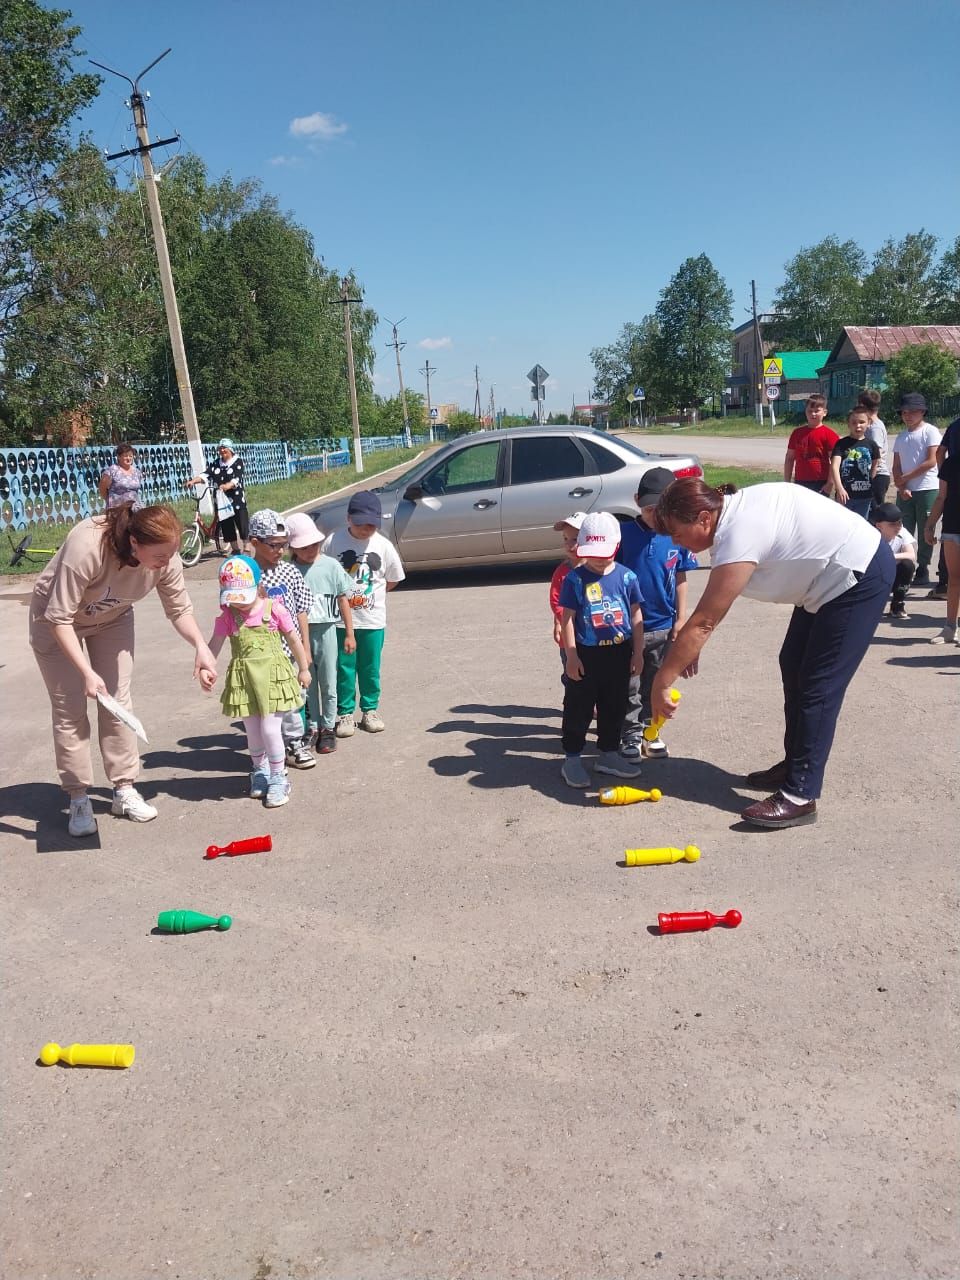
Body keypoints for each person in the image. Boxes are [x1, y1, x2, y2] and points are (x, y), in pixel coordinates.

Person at [649, 479, 894, 829]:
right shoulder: (731, 517)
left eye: (676, 532)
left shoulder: (738, 531)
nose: (675, 541)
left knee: (818, 685)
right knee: (792, 663)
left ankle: (800, 794)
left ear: (704, 518)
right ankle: (796, 764)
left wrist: (662, 680)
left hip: (859, 573)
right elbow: (704, 624)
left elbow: (703, 622)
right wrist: (687, 650)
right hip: (825, 581)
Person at [29, 504, 217, 837]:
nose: (167, 562)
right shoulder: (87, 545)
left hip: (112, 617)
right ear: (134, 543)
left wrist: (201, 647)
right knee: (70, 708)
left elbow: (178, 607)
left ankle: (123, 788)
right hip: (57, 621)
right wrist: (86, 671)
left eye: (170, 555)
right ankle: (78, 796)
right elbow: (59, 618)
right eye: (159, 556)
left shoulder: (166, 553)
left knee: (116, 702)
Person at [201, 556, 311, 809]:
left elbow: (294, 640)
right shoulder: (228, 616)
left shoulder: (275, 609)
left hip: (274, 677)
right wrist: (207, 666)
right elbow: (214, 645)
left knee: (271, 730)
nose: (237, 604)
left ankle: (278, 776)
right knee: (252, 731)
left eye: (242, 597)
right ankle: (259, 770)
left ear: (257, 586)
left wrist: (303, 668)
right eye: (233, 598)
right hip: (245, 680)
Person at [557, 511, 645, 789]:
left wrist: (638, 652)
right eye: (591, 551)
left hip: (619, 654)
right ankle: (572, 757)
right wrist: (571, 655)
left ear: (616, 546)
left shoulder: (627, 577)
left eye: (604, 552)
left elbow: (636, 616)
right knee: (578, 707)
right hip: (586, 654)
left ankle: (608, 753)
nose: (598, 558)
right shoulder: (575, 579)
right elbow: (567, 618)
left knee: (614, 706)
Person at [616, 467, 697, 759]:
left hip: (665, 626)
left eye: (662, 509)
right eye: (650, 509)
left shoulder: (677, 535)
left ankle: (652, 731)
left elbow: (681, 578)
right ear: (637, 500)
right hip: (628, 629)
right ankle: (630, 733)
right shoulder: (622, 535)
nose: (655, 516)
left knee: (656, 682)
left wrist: (681, 619)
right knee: (630, 684)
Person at [322, 490, 405, 736]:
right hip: (339, 622)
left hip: (372, 620)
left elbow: (393, 578)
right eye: (360, 524)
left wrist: (371, 597)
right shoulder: (333, 541)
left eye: (371, 524)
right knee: (343, 668)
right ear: (349, 518)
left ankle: (370, 710)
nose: (366, 529)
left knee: (370, 668)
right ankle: (345, 714)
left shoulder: (383, 545)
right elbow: (323, 574)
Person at [248, 509, 316, 769]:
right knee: (265, 704)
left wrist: (305, 650)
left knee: (293, 699)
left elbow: (301, 611)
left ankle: (294, 744)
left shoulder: (290, 572)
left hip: (289, 649)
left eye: (283, 545)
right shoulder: (246, 574)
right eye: (274, 545)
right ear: (255, 542)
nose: (280, 550)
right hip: (260, 652)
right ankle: (266, 753)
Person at [284, 512, 357, 754]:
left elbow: (343, 599)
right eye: (303, 547)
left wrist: (349, 633)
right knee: (306, 682)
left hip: (326, 630)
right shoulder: (289, 570)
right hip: (296, 634)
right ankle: (312, 726)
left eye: (314, 544)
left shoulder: (330, 565)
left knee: (328, 681)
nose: (310, 550)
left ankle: (328, 727)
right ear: (293, 547)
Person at [892, 393, 941, 585]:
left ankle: (923, 566)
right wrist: (901, 484)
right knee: (902, 528)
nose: (908, 415)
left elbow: (931, 461)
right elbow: (896, 464)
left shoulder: (930, 431)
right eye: (904, 412)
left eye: (912, 411)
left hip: (926, 487)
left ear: (922, 412)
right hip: (906, 489)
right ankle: (904, 564)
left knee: (925, 528)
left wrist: (906, 478)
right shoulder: (902, 436)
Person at [185, 438, 249, 554]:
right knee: (227, 524)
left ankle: (246, 546)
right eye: (220, 448)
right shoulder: (216, 463)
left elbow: (237, 478)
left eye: (224, 448)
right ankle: (235, 549)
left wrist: (228, 485)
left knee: (241, 522)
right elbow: (206, 474)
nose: (222, 450)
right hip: (221, 499)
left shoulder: (237, 461)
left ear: (230, 449)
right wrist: (193, 481)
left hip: (236, 498)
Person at [923, 445, 960, 646]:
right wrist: (930, 525)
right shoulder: (951, 463)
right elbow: (941, 497)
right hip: (952, 528)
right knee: (954, 580)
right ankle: (950, 628)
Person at [549, 511, 586, 685]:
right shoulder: (562, 572)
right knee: (572, 673)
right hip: (569, 637)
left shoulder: (598, 570)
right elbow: (556, 601)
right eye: (565, 539)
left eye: (575, 539)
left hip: (592, 636)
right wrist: (559, 622)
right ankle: (574, 703)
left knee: (592, 672)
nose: (569, 544)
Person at [928, 415, 960, 602]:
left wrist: (944, 473)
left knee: (950, 540)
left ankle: (944, 584)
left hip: (952, 480)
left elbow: (940, 452)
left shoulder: (954, 425)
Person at [830, 406, 880, 520]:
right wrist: (839, 488)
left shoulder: (872, 445)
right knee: (843, 526)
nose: (858, 426)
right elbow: (834, 466)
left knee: (861, 526)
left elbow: (875, 464)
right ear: (848, 424)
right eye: (854, 422)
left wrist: (870, 482)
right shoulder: (841, 444)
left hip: (865, 496)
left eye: (862, 422)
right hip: (845, 496)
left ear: (869, 423)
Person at [871, 502, 917, 621]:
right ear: (879, 525)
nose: (897, 527)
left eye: (900, 523)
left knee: (908, 565)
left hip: (893, 576)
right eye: (892, 524)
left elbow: (911, 555)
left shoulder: (902, 532)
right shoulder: (870, 535)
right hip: (874, 577)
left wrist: (888, 556)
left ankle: (897, 604)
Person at [783, 395, 838, 493]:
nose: (813, 414)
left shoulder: (830, 434)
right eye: (810, 411)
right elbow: (790, 458)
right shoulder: (797, 433)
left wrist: (830, 483)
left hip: (821, 482)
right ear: (805, 412)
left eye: (817, 411)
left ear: (824, 412)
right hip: (800, 481)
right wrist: (787, 482)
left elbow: (835, 462)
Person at [856, 389, 890, 512]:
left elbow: (877, 454)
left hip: (877, 475)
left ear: (863, 406)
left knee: (875, 513)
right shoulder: (869, 425)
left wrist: (870, 476)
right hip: (869, 474)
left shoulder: (875, 427)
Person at [98, 442, 143, 510]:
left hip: (134, 508)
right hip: (117, 510)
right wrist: (110, 501)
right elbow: (102, 488)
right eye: (125, 456)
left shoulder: (137, 472)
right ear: (118, 457)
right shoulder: (112, 471)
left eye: (130, 456)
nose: (128, 458)